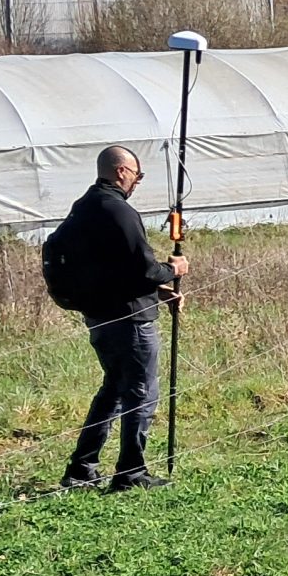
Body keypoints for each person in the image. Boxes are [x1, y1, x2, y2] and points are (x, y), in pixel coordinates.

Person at [58, 145, 187, 491]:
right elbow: (144, 269)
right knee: (141, 392)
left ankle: (82, 468)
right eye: (137, 175)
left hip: (99, 316)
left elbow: (110, 271)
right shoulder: (120, 212)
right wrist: (171, 269)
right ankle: (131, 473)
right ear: (120, 172)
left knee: (113, 389)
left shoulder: (82, 210)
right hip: (130, 321)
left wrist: (157, 292)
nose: (136, 182)